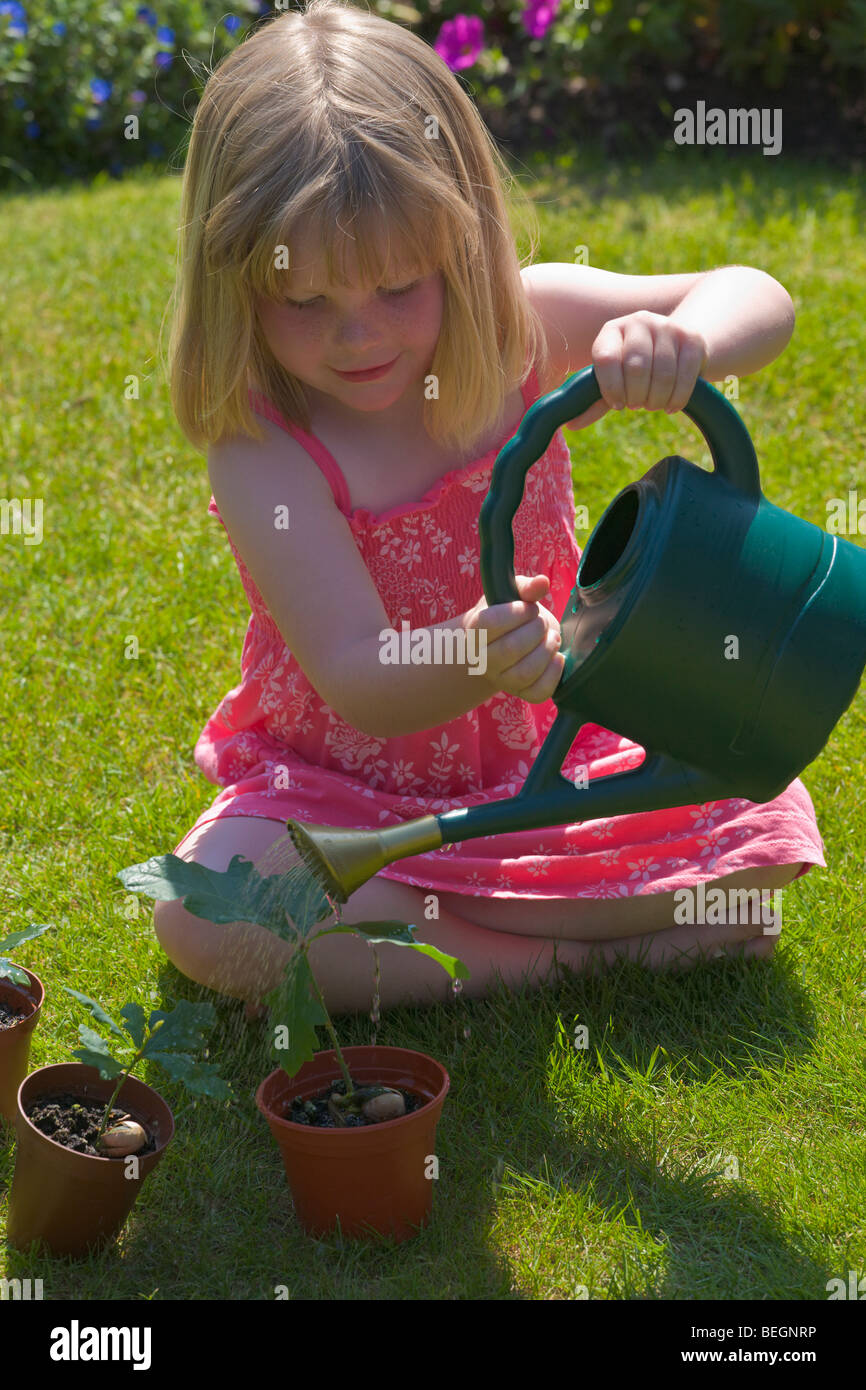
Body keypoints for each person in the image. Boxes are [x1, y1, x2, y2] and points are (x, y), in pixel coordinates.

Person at [153, 0, 823, 1018]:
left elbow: (755, 292)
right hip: (341, 793)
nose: (356, 337)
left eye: (395, 286)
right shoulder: (264, 445)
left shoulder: (523, 323)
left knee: (753, 825)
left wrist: (677, 339)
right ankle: (551, 961)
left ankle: (481, 925)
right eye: (304, 303)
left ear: (456, 245)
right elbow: (355, 677)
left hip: (548, 759)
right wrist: (467, 655)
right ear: (233, 280)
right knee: (208, 912)